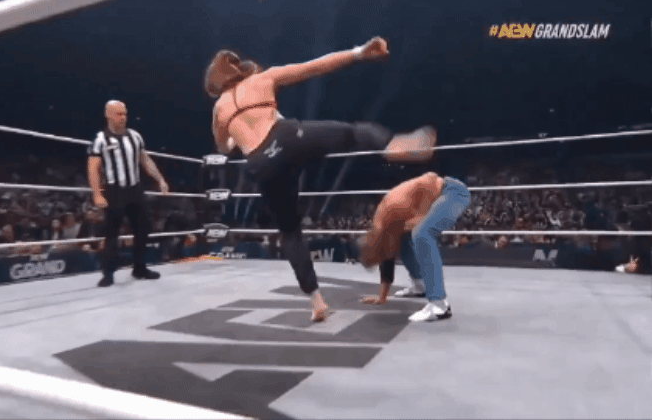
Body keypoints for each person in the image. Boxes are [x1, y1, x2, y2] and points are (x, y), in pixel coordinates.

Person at [205, 36, 437, 322]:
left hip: (260, 163)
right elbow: (314, 66)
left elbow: (222, 147)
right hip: (287, 138)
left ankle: (316, 302)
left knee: (290, 232)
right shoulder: (262, 79)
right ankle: (392, 145)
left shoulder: (219, 109)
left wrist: (236, 138)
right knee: (351, 133)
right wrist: (359, 52)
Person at [359, 172, 470, 322]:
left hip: (453, 192)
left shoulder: (393, 205)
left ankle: (439, 305)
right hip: (438, 199)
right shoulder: (383, 228)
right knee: (403, 242)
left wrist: (421, 214)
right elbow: (388, 257)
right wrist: (382, 297)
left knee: (422, 233)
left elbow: (430, 178)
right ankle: (420, 286)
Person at [87, 100, 170, 287]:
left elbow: (145, 159)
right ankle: (108, 274)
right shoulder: (101, 139)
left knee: (143, 228)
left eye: (125, 113)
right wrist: (97, 194)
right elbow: (93, 168)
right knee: (112, 232)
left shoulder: (134, 136)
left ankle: (139, 268)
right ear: (108, 115)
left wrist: (160, 179)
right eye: (119, 114)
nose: (123, 117)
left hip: (135, 189)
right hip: (114, 190)